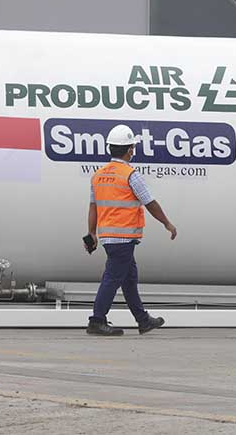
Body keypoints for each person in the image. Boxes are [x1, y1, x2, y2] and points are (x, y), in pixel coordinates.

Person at [85, 124, 178, 336]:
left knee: (128, 280)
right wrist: (167, 223)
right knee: (113, 278)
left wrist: (91, 233)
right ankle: (96, 320)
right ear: (129, 150)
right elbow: (150, 202)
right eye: (133, 147)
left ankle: (143, 320)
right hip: (123, 237)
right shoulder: (130, 175)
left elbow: (93, 207)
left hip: (108, 237)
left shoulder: (98, 175)